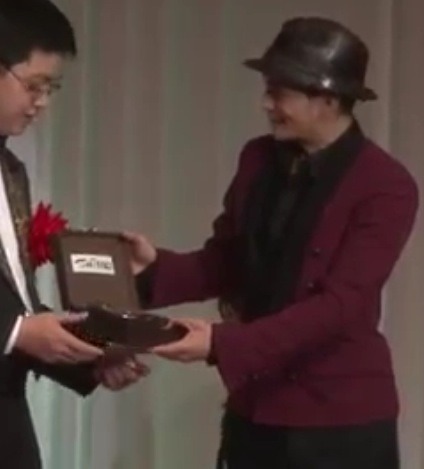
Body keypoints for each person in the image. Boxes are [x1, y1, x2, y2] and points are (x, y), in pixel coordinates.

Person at [125, 16, 419, 469]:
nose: (266, 103)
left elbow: (341, 305)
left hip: (338, 422)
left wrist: (222, 344)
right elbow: (229, 260)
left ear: (327, 98)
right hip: (257, 409)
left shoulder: (386, 185)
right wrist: (154, 269)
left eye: (280, 92)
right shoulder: (258, 158)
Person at [0, 1, 147, 468]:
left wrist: (89, 356)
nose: (42, 102)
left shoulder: (12, 171)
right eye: (34, 85)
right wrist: (17, 331)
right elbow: (16, 325)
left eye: (52, 88)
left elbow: (16, 304)